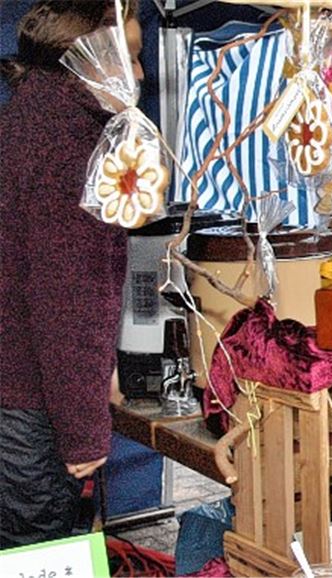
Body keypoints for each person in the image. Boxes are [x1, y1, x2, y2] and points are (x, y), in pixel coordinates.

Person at [0, 0, 143, 548]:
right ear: (86, 60)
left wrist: (98, 374)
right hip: (26, 402)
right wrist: (83, 431)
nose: (138, 75)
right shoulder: (71, 143)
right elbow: (67, 298)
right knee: (37, 549)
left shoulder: (30, 117)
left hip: (21, 390)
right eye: (127, 57)